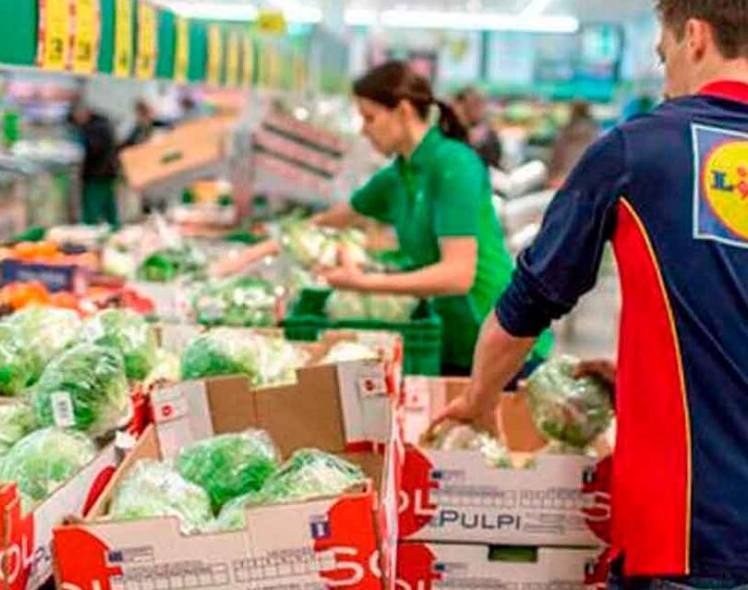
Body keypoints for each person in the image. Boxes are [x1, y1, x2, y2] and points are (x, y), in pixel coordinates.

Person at [434, 0, 748, 590]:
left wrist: (477, 399)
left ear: (694, 37)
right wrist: (647, 382)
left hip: (687, 536)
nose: (664, 69)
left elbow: (525, 308)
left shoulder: (639, 151)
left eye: (664, 50)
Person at [215, 61, 552, 377]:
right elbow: (331, 221)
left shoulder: (454, 165)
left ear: (403, 111)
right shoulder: (398, 175)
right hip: (447, 334)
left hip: (499, 333)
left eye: (369, 118)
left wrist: (363, 283)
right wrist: (251, 254)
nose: (363, 130)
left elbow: (457, 274)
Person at [69, 103, 119, 226]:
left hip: (96, 172)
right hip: (107, 171)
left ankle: (89, 232)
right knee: (108, 206)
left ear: (83, 114)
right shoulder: (103, 124)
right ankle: (114, 229)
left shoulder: (93, 128)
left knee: (92, 207)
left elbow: (92, 149)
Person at [546, 100, 600, 188]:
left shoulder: (566, 130)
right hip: (584, 176)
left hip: (564, 175)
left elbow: (557, 154)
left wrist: (552, 174)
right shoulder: (594, 130)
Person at [454, 86, 503, 168]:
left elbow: (493, 163)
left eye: (479, 104)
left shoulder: (489, 135)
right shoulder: (451, 132)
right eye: (473, 105)